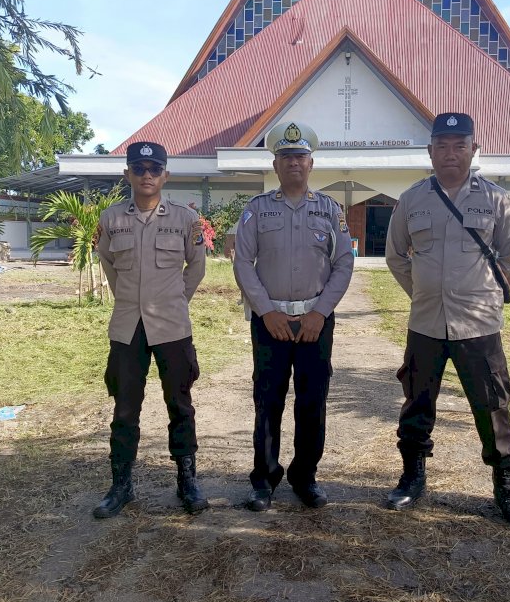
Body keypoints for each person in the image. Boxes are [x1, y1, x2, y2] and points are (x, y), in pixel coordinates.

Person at [385, 113, 510, 528]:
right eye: (442, 146)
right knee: (416, 401)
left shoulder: (497, 199)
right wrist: (424, 293)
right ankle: (413, 477)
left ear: (473, 150)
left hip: (479, 326)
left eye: (459, 146)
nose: (450, 154)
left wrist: (482, 295)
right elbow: (396, 256)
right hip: (426, 323)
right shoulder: (412, 200)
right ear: (430, 152)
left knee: (493, 405)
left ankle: (506, 486)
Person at [233, 121, 354, 511]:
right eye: (286, 157)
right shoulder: (257, 210)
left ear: (311, 162)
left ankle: (306, 476)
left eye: (300, 156)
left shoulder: (330, 210)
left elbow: (344, 262)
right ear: (276, 163)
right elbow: (242, 263)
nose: (294, 164)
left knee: (312, 400)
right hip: (271, 323)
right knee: (267, 400)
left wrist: (321, 312)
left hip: (315, 322)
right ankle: (264, 479)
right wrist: (266, 311)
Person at [93, 140, 208, 518]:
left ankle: (187, 481)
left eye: (154, 169)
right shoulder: (111, 219)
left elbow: (197, 268)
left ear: (165, 175)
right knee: (125, 408)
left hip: (172, 327)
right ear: (127, 174)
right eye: (139, 169)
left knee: (180, 405)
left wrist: (175, 300)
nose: (146, 175)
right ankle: (121, 485)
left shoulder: (185, 220)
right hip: (127, 328)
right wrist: (130, 301)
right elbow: (109, 266)